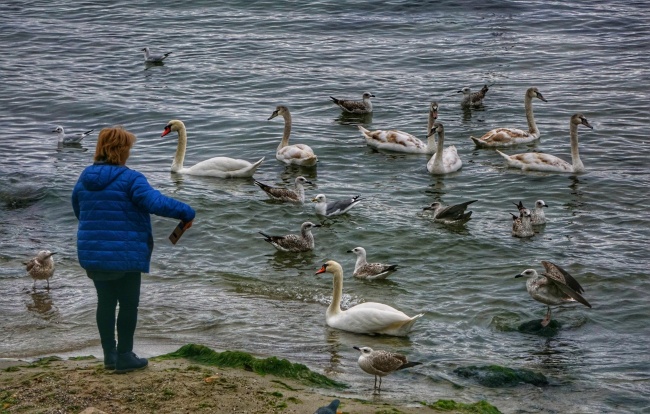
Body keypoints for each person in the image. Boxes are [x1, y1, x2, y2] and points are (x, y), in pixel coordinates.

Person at [72, 126, 195, 374]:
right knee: (128, 305)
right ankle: (125, 355)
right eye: (128, 147)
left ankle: (109, 355)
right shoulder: (131, 178)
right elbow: (154, 202)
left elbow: (79, 210)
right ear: (122, 150)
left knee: (105, 302)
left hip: (93, 252)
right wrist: (186, 211)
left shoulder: (85, 177)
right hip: (126, 253)